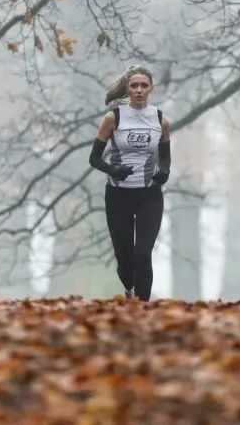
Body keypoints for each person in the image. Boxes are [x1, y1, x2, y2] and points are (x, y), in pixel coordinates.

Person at [88, 64, 171, 302]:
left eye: (144, 85)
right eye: (134, 85)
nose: (139, 90)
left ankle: (144, 308)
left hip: (149, 196)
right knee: (125, 259)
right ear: (128, 88)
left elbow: (165, 157)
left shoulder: (161, 121)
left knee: (143, 255)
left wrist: (164, 172)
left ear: (151, 89)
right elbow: (94, 158)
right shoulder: (113, 118)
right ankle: (129, 287)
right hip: (118, 195)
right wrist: (114, 169)